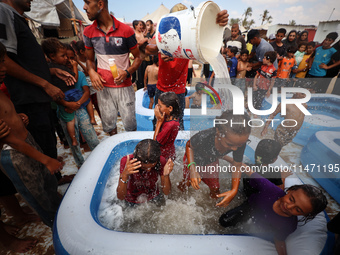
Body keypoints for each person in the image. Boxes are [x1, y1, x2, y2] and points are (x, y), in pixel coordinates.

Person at [0, 0, 75, 163]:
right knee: (41, 144)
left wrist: (51, 72)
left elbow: (25, 63)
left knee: (48, 141)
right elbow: (4, 60)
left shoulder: (17, 17)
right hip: (29, 100)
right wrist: (45, 84)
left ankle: (55, 178)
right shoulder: (4, 12)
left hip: (38, 97)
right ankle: (50, 185)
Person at [0, 43, 62, 227]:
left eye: (3, 62)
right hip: (13, 152)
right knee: (35, 191)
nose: (4, 68)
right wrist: (46, 159)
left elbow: (7, 116)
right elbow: (9, 139)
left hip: (27, 141)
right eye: (0, 63)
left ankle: (59, 207)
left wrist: (18, 118)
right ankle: (54, 222)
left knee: (47, 180)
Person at [146, 4, 229, 130]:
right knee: (158, 121)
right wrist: (164, 47)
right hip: (162, 89)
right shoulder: (163, 31)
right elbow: (149, 48)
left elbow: (206, 34)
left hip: (179, 90)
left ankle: (178, 148)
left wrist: (215, 23)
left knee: (178, 123)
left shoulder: (190, 35)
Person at [219, 167, 327, 255]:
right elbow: (248, 169)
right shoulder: (270, 189)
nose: (289, 207)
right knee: (223, 221)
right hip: (249, 206)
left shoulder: (288, 225)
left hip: (261, 220)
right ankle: (281, 178)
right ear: (289, 190)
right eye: (291, 199)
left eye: (297, 209)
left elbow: (279, 239)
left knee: (242, 234)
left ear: (304, 214)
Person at [83, 0, 141, 136]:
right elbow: (89, 60)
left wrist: (127, 72)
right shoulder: (88, 32)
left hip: (124, 87)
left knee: (130, 126)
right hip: (103, 88)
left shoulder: (126, 30)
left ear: (100, 4)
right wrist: (91, 72)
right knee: (110, 127)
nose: (84, 7)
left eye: (87, 2)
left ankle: (133, 153)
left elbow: (138, 58)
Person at [178, 110, 251, 206]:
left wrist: (234, 190)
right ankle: (180, 196)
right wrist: (192, 169)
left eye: (240, 144)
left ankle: (214, 205)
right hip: (193, 161)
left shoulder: (238, 143)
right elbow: (189, 145)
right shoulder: (205, 136)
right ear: (218, 132)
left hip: (211, 161)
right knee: (187, 183)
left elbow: (237, 165)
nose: (235, 148)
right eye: (230, 144)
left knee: (215, 188)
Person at [42, 38, 90, 147]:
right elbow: (75, 79)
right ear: (52, 56)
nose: (66, 59)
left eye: (68, 57)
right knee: (70, 120)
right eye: (63, 56)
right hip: (66, 97)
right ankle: (73, 139)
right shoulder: (62, 69)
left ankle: (73, 140)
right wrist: (74, 67)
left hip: (62, 99)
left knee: (70, 120)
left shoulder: (47, 68)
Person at [117, 139, 174, 205]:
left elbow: (166, 192)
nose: (148, 170)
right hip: (132, 199)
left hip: (153, 196)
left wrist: (166, 175)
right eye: (144, 167)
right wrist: (124, 175)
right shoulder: (128, 162)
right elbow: (120, 197)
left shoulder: (161, 161)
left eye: (152, 166)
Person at [153, 92, 180, 161]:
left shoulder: (170, 125)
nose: (157, 107)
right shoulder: (170, 117)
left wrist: (159, 121)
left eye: (160, 106)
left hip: (164, 156)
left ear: (170, 108)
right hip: (169, 152)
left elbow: (155, 144)